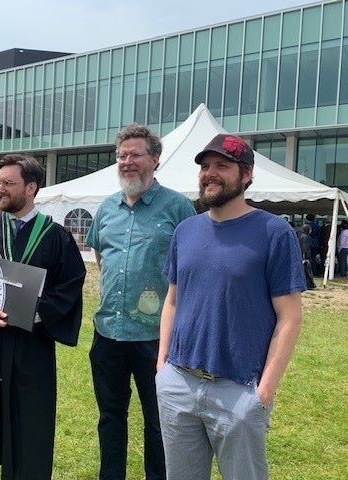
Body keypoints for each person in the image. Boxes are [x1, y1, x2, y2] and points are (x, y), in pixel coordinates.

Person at [156, 134, 305, 480]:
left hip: (239, 390)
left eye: (222, 166)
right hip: (179, 384)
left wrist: (263, 391)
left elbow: (290, 317)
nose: (210, 173)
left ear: (247, 174)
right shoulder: (185, 231)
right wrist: (162, 366)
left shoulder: (274, 232)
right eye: (206, 166)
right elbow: (173, 300)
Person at [0, 154, 86, 480]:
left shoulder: (54, 236)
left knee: (27, 427)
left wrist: (33, 313)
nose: (0, 190)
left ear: (32, 188)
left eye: (8, 183)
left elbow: (69, 286)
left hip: (29, 349)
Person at [85, 124, 196, 480]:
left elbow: (192, 268)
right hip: (108, 335)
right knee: (110, 417)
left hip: (156, 340)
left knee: (158, 421)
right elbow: (101, 257)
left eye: (136, 154)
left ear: (155, 160)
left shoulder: (178, 207)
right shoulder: (106, 209)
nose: (127, 162)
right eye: (122, 155)